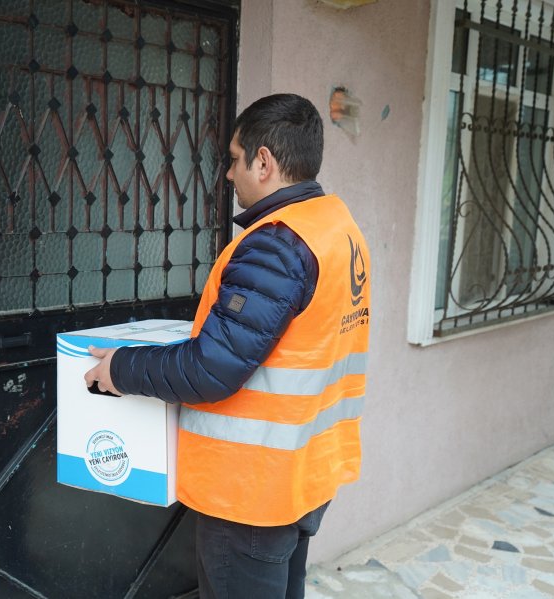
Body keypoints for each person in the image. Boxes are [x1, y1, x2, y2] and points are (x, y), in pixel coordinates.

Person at [84, 93, 371, 599]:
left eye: (235, 160)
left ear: (264, 161)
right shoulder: (337, 229)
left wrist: (120, 369)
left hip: (252, 492)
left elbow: (212, 368)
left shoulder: (277, 245)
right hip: (303, 475)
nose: (229, 174)